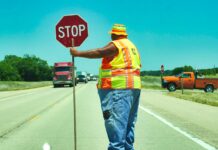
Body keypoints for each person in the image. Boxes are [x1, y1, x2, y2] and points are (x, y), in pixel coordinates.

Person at [70, 24, 141, 150]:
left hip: (118, 90)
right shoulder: (131, 46)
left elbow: (99, 52)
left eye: (111, 34)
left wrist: (77, 53)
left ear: (114, 34)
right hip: (133, 89)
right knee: (128, 128)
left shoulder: (117, 44)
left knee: (117, 131)